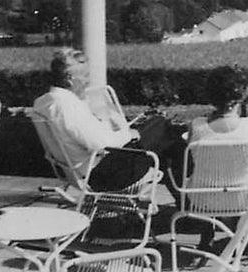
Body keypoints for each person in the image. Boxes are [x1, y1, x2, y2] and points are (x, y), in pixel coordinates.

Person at [32, 48, 185, 200]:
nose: (88, 80)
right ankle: (190, 185)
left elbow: (91, 137)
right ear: (69, 79)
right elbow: (100, 144)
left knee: (163, 137)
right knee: (162, 127)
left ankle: (186, 193)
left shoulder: (47, 102)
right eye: (85, 76)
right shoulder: (67, 106)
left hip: (89, 169)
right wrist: (129, 135)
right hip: (105, 176)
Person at [185, 65, 248, 257]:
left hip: (203, 199)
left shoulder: (196, 126)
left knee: (206, 174)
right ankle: (237, 236)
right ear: (243, 94)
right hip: (247, 198)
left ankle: (207, 235)